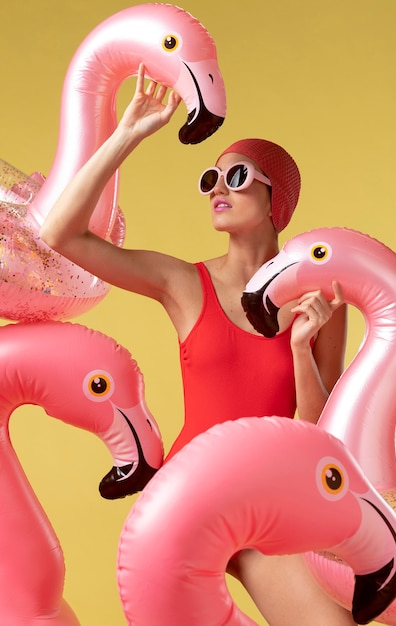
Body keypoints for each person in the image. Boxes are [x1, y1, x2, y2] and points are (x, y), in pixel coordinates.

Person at [40, 63, 353, 625]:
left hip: (272, 494)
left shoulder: (322, 297)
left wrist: (301, 349)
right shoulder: (185, 283)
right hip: (192, 492)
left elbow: (318, 426)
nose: (216, 190)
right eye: (210, 179)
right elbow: (61, 233)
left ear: (276, 198)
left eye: (235, 177)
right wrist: (126, 135)